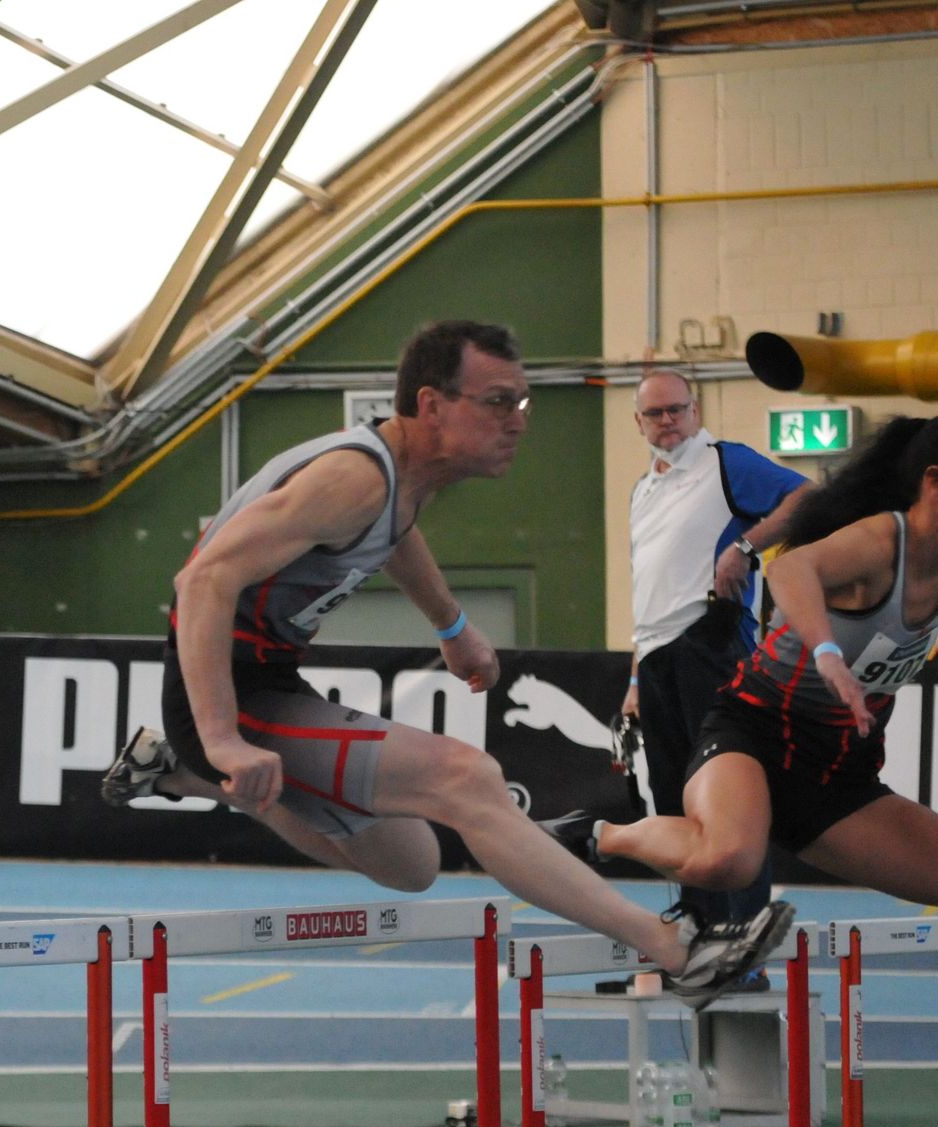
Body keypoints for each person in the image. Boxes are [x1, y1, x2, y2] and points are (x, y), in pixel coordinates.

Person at [101, 319, 792, 999]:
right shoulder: (353, 477)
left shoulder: (399, 477)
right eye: (498, 402)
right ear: (432, 405)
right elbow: (202, 580)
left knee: (412, 865)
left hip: (272, 679)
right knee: (466, 779)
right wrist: (222, 737)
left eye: (521, 402)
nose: (517, 422)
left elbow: (395, 535)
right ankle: (677, 950)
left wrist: (452, 625)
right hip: (223, 691)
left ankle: (184, 771)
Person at [597, 417, 938, 907]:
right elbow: (790, 568)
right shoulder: (882, 541)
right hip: (755, 735)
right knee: (728, 861)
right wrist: (827, 654)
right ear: (932, 483)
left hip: (837, 771)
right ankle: (602, 836)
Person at [543, 372, 809, 986]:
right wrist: (637, 681)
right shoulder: (643, 490)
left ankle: (744, 950)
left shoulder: (724, 463)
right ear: (637, 422)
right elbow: (649, 597)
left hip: (712, 646)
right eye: (655, 413)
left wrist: (746, 548)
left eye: (677, 410)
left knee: (729, 803)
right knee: (673, 801)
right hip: (659, 658)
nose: (667, 421)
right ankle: (694, 943)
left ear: (695, 409)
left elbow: (807, 498)